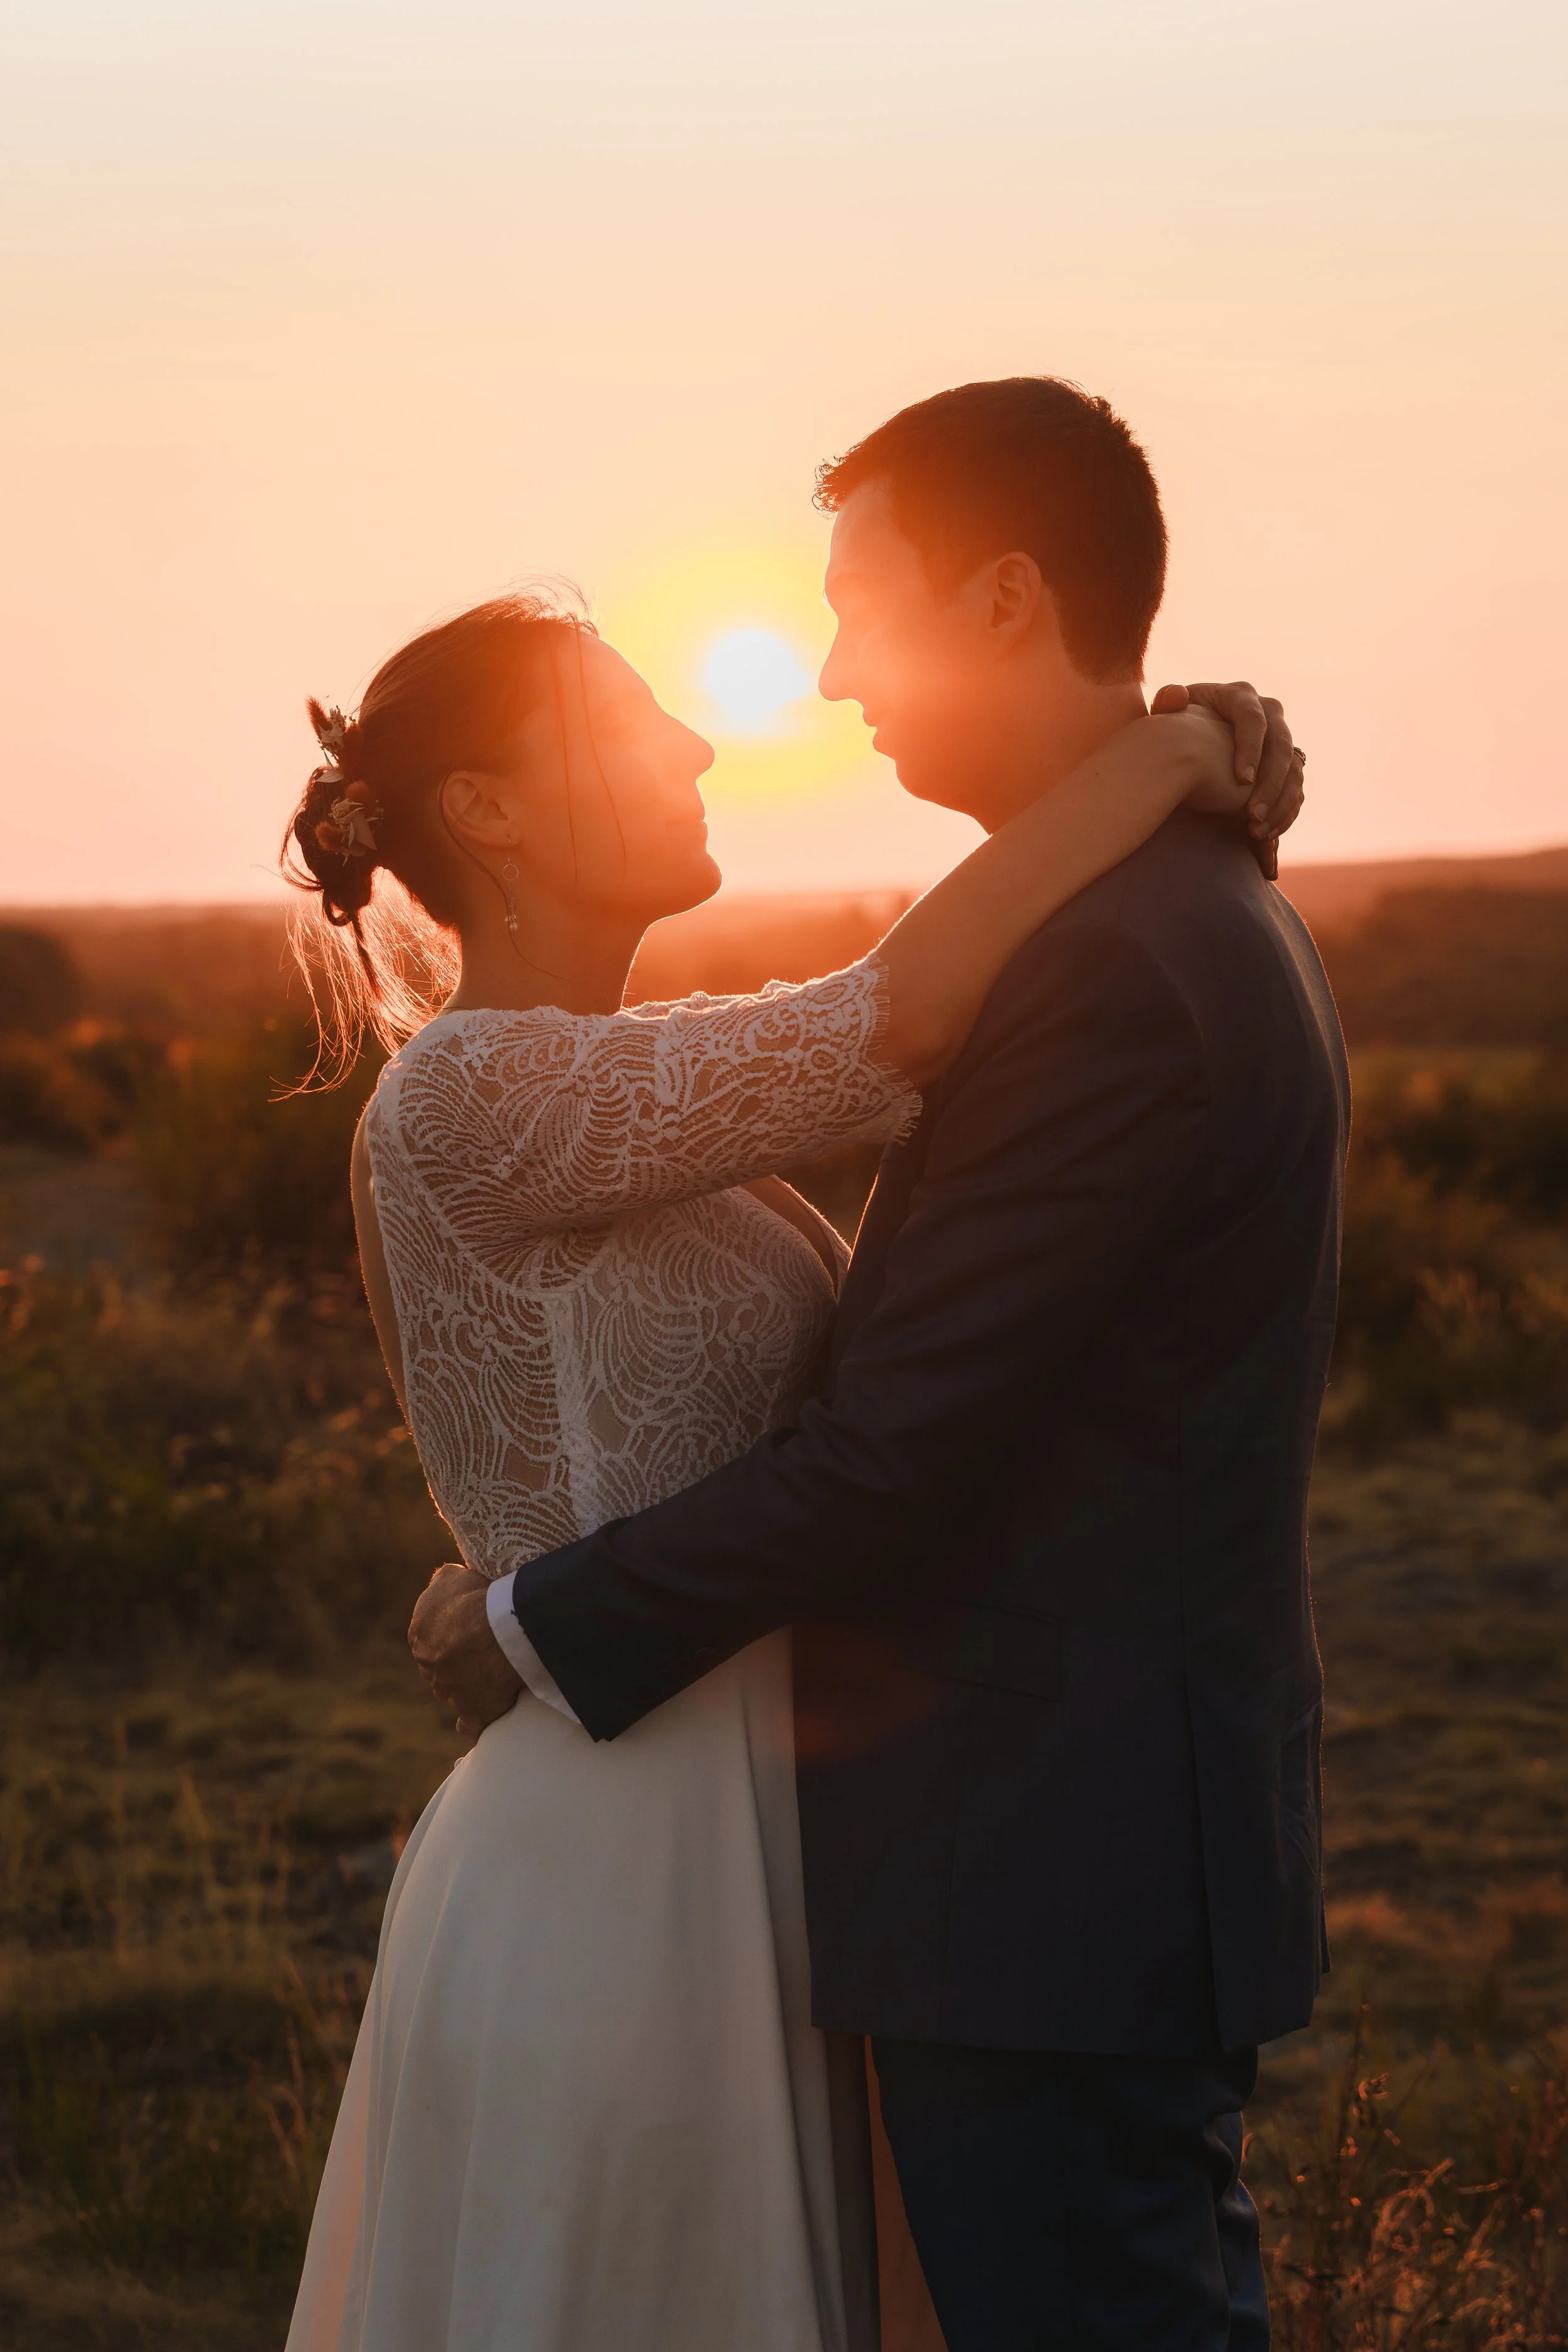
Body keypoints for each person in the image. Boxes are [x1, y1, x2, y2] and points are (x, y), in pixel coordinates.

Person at [280, 459, 1303, 2349]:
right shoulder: (462, 1099)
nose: (699, 739)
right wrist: (1161, 761)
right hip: (621, 1837)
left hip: (786, 1819)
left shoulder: (640, 1072)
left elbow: (917, 1035)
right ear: (489, 807)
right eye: (629, 723)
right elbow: (897, 1021)